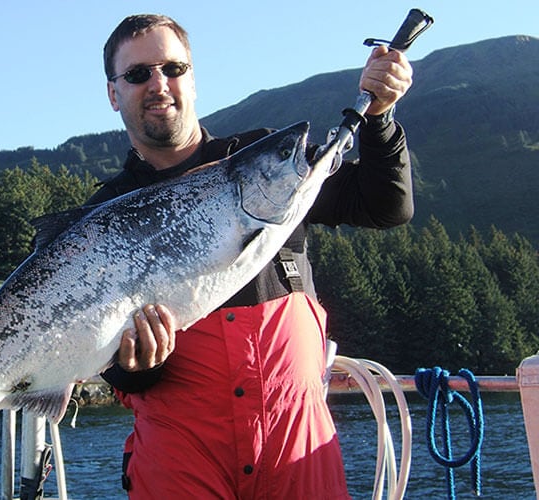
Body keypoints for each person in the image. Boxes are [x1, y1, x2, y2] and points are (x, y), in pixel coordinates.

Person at [87, 13, 414, 499]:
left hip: (300, 448)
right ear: (114, 94)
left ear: (192, 79)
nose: (159, 84)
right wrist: (137, 366)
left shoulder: (270, 161)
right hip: (181, 461)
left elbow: (384, 206)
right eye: (137, 74)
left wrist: (381, 117)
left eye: (173, 68)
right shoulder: (100, 219)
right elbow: (112, 368)